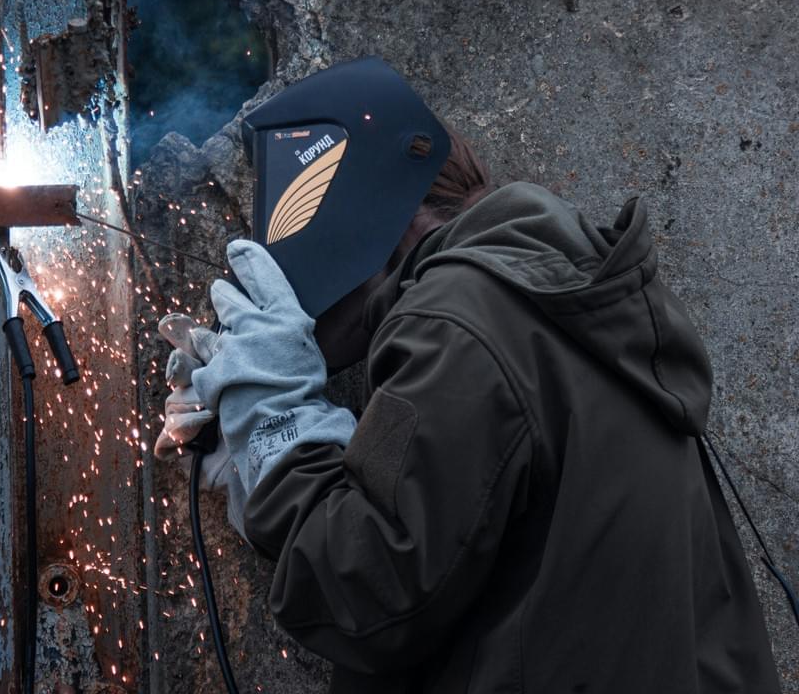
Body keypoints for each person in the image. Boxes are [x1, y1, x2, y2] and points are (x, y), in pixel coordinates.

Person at [155, 127, 782, 692]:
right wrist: (250, 458)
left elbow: (368, 588)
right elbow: (455, 533)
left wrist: (276, 420)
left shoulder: (462, 318)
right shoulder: (552, 307)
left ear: (360, 214)